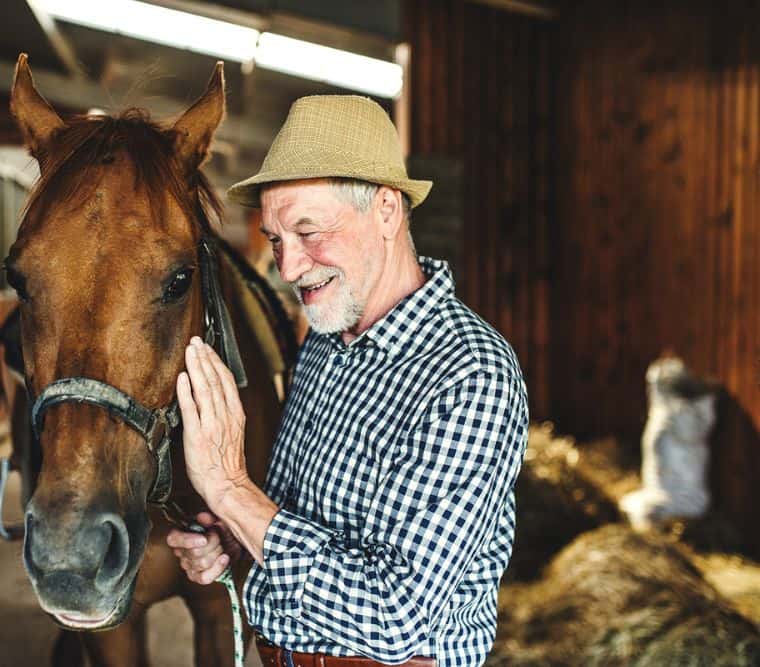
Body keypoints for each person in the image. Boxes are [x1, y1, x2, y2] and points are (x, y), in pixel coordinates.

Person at [167, 95, 529, 667]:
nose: (288, 268)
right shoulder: (324, 340)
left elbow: (395, 615)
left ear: (386, 210)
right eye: (278, 240)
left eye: (309, 232)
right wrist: (234, 532)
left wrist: (231, 490)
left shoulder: (469, 372)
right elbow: (299, 515)